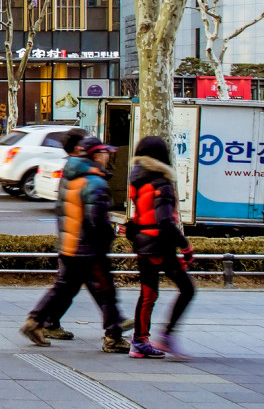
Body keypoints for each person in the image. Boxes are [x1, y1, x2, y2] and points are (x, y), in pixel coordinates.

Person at [21, 135, 129, 353]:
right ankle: (114, 337)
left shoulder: (71, 176)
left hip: (69, 243)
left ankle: (35, 322)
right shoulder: (94, 181)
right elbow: (96, 219)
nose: (108, 156)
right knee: (106, 291)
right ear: (97, 155)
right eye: (105, 152)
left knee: (63, 288)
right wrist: (110, 237)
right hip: (89, 248)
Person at [126, 136, 195, 359]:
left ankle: (139, 341)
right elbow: (165, 221)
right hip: (160, 244)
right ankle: (166, 335)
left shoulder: (137, 179)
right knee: (187, 289)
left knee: (148, 293)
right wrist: (185, 246)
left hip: (142, 242)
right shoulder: (162, 184)